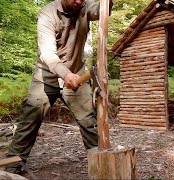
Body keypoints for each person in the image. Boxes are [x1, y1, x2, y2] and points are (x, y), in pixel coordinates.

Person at [5, 0, 113, 174]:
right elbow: (47, 53)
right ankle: (12, 168)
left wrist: (109, 2)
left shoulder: (86, 7)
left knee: (89, 122)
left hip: (77, 72)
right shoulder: (47, 14)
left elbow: (102, 11)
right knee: (29, 119)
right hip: (46, 75)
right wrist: (65, 74)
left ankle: (104, 165)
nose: (79, 1)